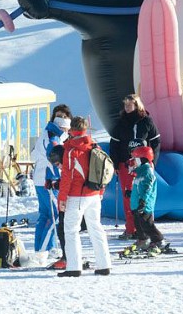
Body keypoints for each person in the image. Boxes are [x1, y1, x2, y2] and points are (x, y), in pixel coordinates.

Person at [57, 116, 112, 277]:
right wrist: (100, 192)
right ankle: (104, 264)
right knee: (96, 228)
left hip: (76, 195)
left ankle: (74, 267)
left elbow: (67, 177)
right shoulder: (94, 146)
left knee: (71, 230)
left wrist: (62, 199)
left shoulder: (71, 150)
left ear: (72, 130)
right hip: (94, 194)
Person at [108, 94, 160, 240]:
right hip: (126, 165)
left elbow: (156, 142)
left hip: (143, 165)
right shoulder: (121, 123)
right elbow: (114, 145)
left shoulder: (146, 121)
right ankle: (131, 229)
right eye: (125, 105)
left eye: (130, 105)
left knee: (144, 196)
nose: (127, 107)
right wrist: (116, 163)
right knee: (129, 197)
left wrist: (152, 161)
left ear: (137, 105)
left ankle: (145, 230)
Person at [31, 104, 72, 258]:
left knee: (45, 215)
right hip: (49, 181)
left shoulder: (47, 133)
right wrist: (57, 178)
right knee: (54, 216)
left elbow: (34, 154)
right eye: (67, 130)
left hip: (40, 179)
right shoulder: (54, 138)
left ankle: (42, 249)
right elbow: (54, 159)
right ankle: (44, 250)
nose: (67, 132)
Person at [122, 142, 166, 256]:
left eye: (136, 159)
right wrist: (130, 192)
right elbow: (138, 186)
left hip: (145, 204)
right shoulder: (139, 172)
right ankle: (143, 240)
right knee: (138, 223)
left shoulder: (147, 172)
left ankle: (159, 240)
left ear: (143, 159)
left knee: (147, 224)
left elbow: (147, 188)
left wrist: (143, 201)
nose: (134, 161)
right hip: (137, 203)